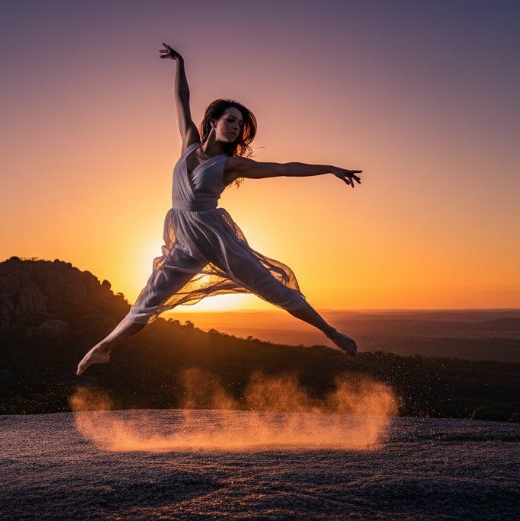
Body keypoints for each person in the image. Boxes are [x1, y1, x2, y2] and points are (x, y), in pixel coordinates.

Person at [76, 43, 362, 376]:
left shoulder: (231, 165)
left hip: (214, 236)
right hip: (185, 240)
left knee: (272, 288)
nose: (236, 127)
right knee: (148, 300)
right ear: (214, 121)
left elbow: (284, 168)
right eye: (231, 120)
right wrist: (180, 63)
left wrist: (330, 168)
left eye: (240, 123)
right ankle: (103, 349)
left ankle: (331, 332)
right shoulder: (189, 142)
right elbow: (181, 99)